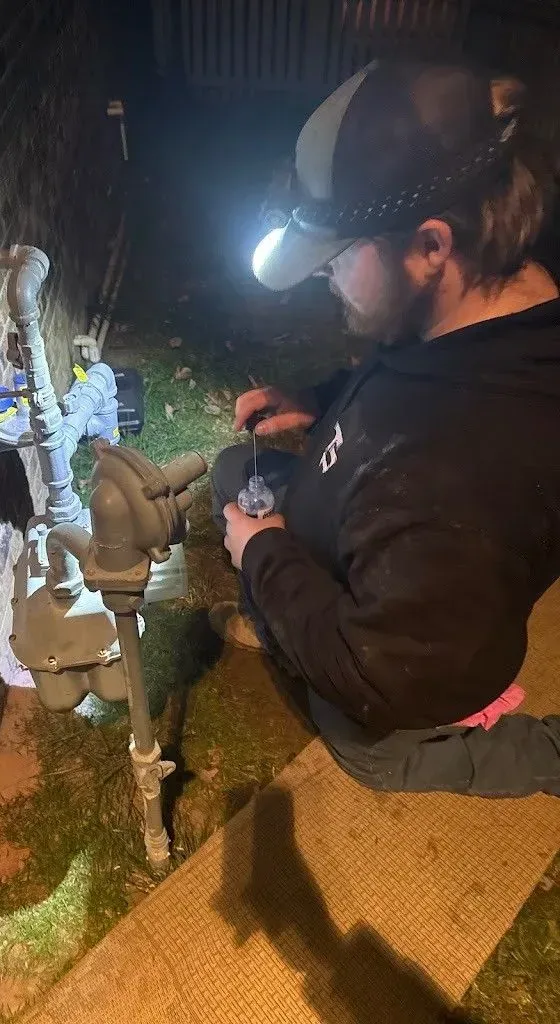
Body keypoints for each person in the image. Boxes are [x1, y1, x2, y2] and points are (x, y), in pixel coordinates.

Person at [210, 61, 560, 798]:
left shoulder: (460, 481)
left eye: (335, 259)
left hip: (413, 671)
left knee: (366, 744)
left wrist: (265, 557)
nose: (322, 281)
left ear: (431, 246)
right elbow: (413, 379)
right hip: (375, 547)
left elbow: (380, 674)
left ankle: (538, 753)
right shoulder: (481, 297)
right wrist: (321, 397)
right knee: (230, 481)